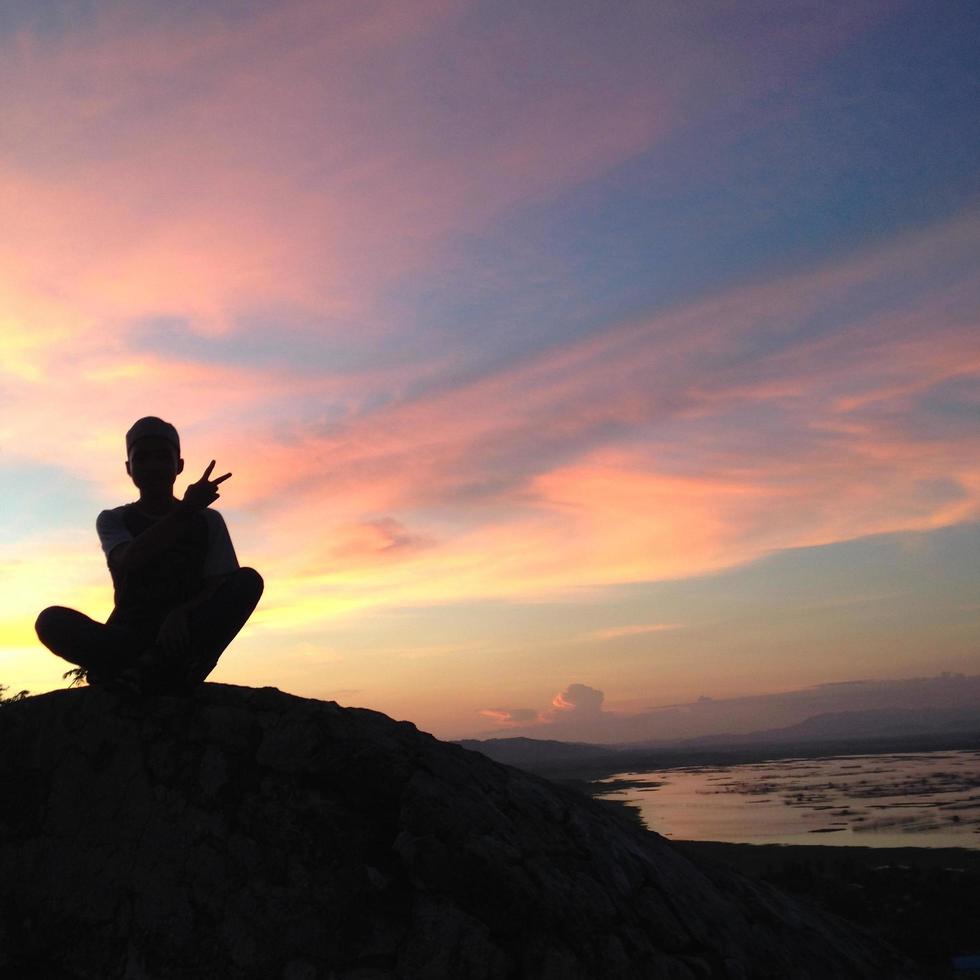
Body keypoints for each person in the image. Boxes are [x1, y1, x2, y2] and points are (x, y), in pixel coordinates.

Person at [35, 417, 263, 695]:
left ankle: (154, 669)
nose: (152, 466)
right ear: (129, 469)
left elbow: (219, 584)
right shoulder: (113, 519)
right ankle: (138, 669)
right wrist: (185, 511)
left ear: (178, 465)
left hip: (184, 637)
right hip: (126, 637)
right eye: (142, 458)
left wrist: (183, 612)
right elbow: (128, 559)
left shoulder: (208, 520)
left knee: (248, 581)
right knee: (50, 621)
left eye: (162, 457)